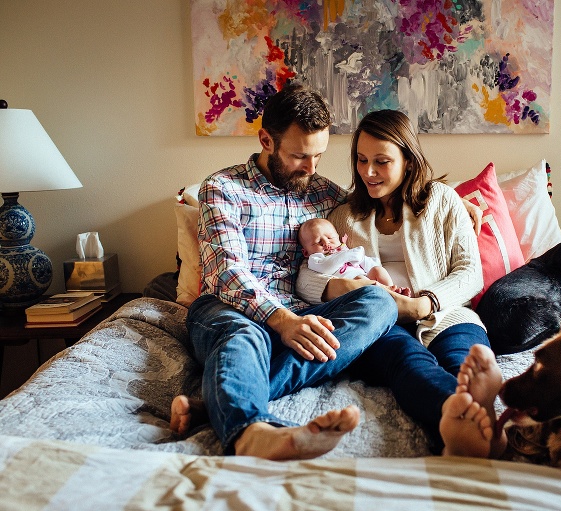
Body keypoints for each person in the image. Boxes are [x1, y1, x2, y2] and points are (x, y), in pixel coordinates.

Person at [171, 85, 400, 460]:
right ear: (266, 139)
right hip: (230, 310)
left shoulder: (325, 192)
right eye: (299, 156)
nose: (311, 169)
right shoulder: (223, 188)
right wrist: (281, 320)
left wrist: (448, 199)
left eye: (319, 156)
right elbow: (227, 275)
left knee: (378, 303)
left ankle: (214, 404)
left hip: (304, 313)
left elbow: (389, 193)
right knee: (244, 334)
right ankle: (251, 433)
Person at [295, 109, 493, 451]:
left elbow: (469, 272)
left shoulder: (444, 200)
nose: (367, 172)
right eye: (360, 159)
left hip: (447, 315)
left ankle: (468, 424)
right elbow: (306, 275)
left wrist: (422, 304)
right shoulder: (343, 216)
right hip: (381, 324)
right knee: (408, 362)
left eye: (381, 161)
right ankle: (460, 418)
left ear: (408, 161)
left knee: (465, 360)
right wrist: (336, 287)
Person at [298, 217, 406, 293]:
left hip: (366, 278)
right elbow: (327, 266)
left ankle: (392, 289)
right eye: (318, 242)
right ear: (306, 252)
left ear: (338, 237)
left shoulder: (344, 250)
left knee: (377, 269)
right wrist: (350, 255)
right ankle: (389, 292)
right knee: (359, 279)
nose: (326, 243)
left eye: (330, 238)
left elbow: (364, 260)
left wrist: (370, 263)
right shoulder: (315, 259)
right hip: (349, 286)